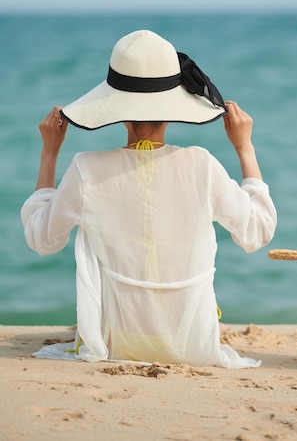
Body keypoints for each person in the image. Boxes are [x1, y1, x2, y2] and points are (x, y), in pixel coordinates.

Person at [21, 30, 277, 368]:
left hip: (117, 343)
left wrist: (49, 153)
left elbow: (43, 239)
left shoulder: (86, 169)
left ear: (118, 108)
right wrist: (245, 148)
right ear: (172, 107)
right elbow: (257, 231)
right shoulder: (202, 165)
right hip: (192, 343)